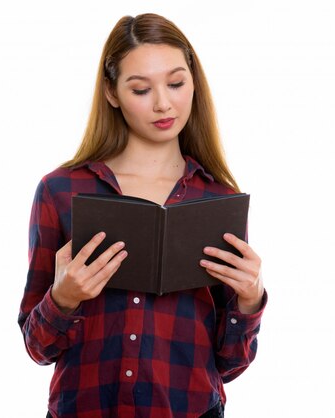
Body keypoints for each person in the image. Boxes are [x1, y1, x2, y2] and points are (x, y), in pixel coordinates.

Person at [18, 13, 267, 418]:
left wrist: (250, 299)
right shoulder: (60, 191)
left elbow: (229, 365)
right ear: (112, 93)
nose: (163, 103)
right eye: (140, 88)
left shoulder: (219, 199)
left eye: (175, 83)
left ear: (194, 84)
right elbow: (37, 348)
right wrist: (63, 298)